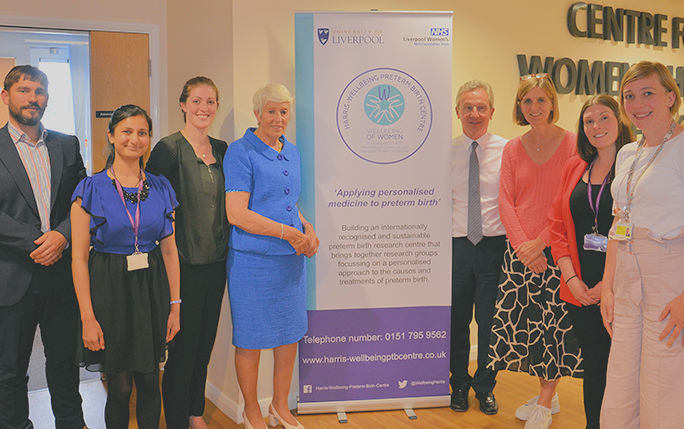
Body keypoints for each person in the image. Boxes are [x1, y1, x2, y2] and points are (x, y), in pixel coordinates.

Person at [70, 104, 181, 429]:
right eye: (127, 132)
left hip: (151, 290)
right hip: (109, 291)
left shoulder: (161, 187)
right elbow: (78, 258)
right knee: (119, 386)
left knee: (149, 381)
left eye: (142, 132)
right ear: (112, 136)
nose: (135, 139)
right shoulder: (90, 189)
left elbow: (171, 252)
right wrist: (88, 318)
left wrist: (175, 306)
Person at [487, 73, 581, 429]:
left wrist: (540, 243)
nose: (535, 107)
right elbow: (505, 200)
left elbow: (566, 201)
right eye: (528, 101)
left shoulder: (573, 144)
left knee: (555, 326)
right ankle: (549, 395)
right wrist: (523, 248)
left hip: (558, 250)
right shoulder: (512, 148)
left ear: (553, 103)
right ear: (519, 106)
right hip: (520, 252)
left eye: (541, 100)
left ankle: (544, 400)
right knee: (528, 327)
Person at [224, 83, 318, 429]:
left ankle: (280, 406)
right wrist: (287, 233)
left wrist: (306, 229)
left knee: (289, 334)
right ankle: (252, 411)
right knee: (251, 339)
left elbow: (288, 203)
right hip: (253, 262)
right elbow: (237, 213)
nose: (278, 118)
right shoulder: (240, 152)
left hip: (290, 261)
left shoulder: (291, 152)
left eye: (284, 111)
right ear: (257, 113)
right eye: (271, 111)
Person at [0, 65, 87, 429]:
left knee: (65, 363)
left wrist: (63, 234)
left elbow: (84, 199)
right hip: (13, 276)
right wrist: (41, 242)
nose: (33, 98)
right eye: (24, 90)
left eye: (39, 91)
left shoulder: (66, 144)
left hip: (62, 275)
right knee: (10, 370)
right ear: (6, 96)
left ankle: (71, 423)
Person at [600, 61, 684, 429]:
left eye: (647, 93)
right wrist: (608, 285)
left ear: (670, 97)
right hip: (627, 275)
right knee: (620, 385)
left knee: (664, 388)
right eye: (629, 96)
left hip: (670, 276)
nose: (636, 104)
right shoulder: (627, 154)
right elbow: (620, 222)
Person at [146, 76, 229, 429]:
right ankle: (177, 419)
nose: (203, 108)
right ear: (183, 104)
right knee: (181, 350)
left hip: (218, 264)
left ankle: (196, 411)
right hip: (181, 267)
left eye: (210, 101)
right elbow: (150, 205)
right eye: (196, 101)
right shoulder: (168, 149)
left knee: (204, 343)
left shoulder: (224, 150)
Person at [549, 95, 633, 429]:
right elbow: (557, 227)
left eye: (604, 118)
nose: (596, 127)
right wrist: (572, 281)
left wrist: (606, 286)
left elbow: (633, 231)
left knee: (624, 370)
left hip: (621, 287)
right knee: (594, 366)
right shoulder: (574, 166)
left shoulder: (633, 166)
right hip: (580, 290)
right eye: (588, 121)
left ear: (620, 120)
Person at [449, 80, 507, 416]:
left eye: (481, 107)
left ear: (491, 112)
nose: (474, 113)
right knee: (457, 321)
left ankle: (485, 386)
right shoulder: (445, 151)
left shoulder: (507, 149)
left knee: (489, 322)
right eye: (468, 107)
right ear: (458, 112)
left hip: (494, 247)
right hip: (456, 246)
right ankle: (458, 383)